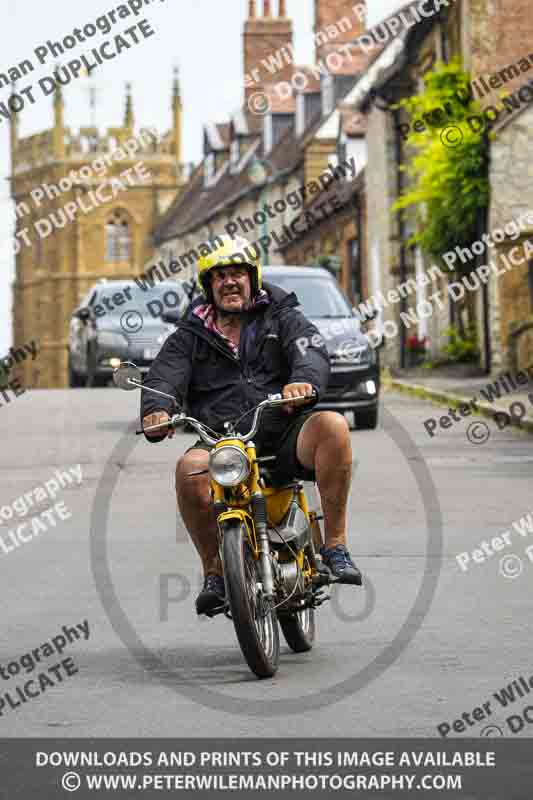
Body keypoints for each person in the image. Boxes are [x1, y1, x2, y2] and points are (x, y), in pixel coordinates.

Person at [141, 236, 362, 615]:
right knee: (188, 470)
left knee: (334, 427)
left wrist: (304, 380)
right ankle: (214, 570)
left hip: (282, 430)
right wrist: (157, 408)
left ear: (253, 278)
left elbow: (310, 349)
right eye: (220, 276)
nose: (230, 282)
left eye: (238, 274)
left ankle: (336, 545)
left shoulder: (282, 315)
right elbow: (164, 376)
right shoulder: (189, 335)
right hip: (221, 440)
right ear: (209, 287)